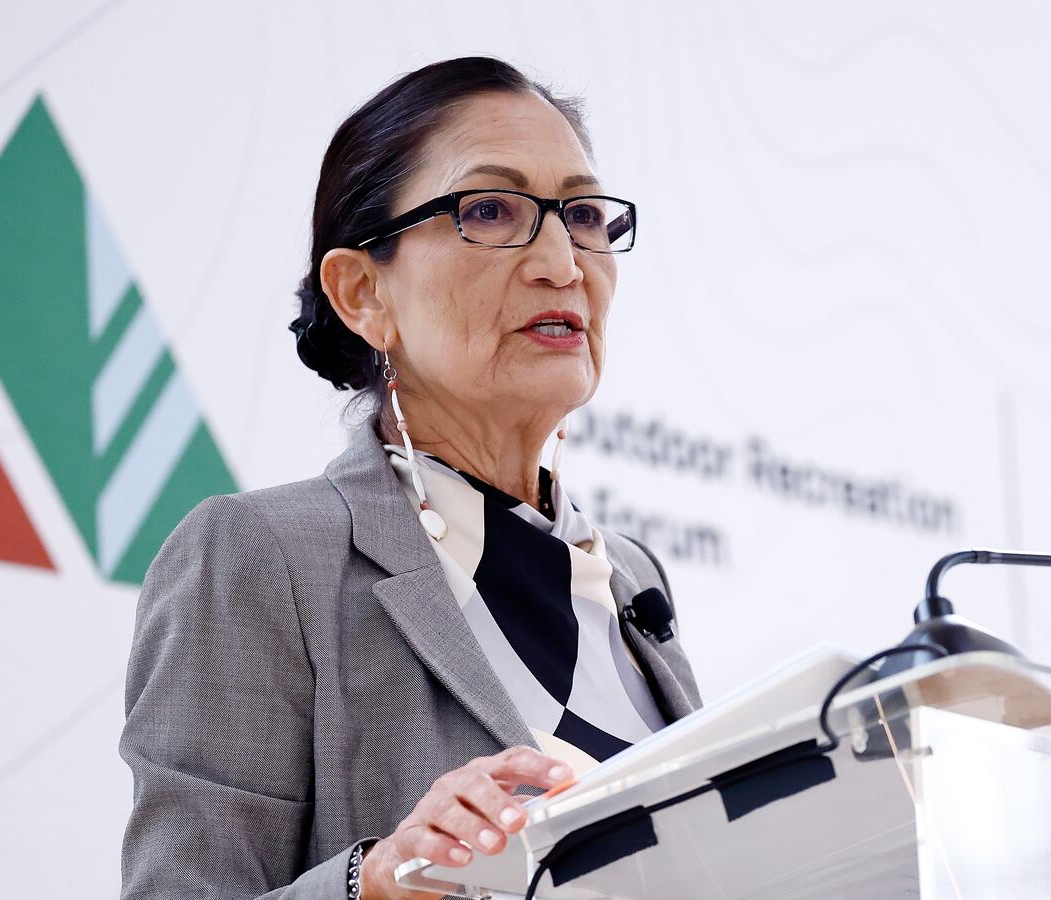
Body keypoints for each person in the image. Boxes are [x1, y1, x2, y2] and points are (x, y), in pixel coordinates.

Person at [119, 56, 701, 900]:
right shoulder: (264, 558)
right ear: (362, 293)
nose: (562, 264)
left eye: (580, 215)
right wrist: (376, 881)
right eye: (490, 210)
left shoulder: (631, 579)